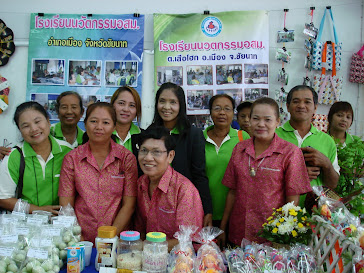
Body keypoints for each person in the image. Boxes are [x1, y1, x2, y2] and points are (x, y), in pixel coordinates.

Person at [220, 97, 312, 246]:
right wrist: (223, 227)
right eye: (256, 118)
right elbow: (232, 191)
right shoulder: (239, 149)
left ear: (277, 121)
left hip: (270, 236)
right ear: (250, 120)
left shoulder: (290, 153)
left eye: (267, 120)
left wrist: (283, 234)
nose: (261, 124)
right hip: (238, 232)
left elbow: (293, 198)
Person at [59, 102, 138, 243]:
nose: (99, 127)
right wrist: (77, 236)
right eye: (93, 121)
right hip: (80, 236)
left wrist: (108, 237)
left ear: (114, 126)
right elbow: (66, 206)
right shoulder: (72, 158)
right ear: (85, 124)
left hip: (117, 238)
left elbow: (129, 205)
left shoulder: (126, 159)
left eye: (106, 122)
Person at [149, 82, 213, 226]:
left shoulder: (193, 135)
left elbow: (199, 175)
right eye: (162, 101)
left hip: (186, 206)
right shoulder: (149, 133)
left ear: (181, 105)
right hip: (154, 205)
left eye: (173, 102)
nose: (166, 107)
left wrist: (207, 210)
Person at [134, 127, 204, 250]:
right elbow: (140, 229)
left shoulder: (184, 190)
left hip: (178, 260)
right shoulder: (141, 184)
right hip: (148, 259)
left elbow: (186, 240)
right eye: (144, 150)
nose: (148, 158)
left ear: (170, 156)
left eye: (156, 152)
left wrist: (149, 247)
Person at [0, 102, 72, 214]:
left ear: (48, 121)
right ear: (19, 130)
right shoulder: (13, 156)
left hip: (61, 222)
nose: (33, 129)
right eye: (26, 126)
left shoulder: (68, 151)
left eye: (37, 122)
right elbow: (3, 198)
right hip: (24, 224)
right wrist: (38, 210)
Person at [275, 85, 339, 189]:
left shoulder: (327, 141)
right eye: (296, 101)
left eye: (307, 102)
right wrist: (297, 175)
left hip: (315, 205)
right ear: (287, 106)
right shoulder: (274, 136)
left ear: (315, 107)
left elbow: (333, 184)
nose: (301, 105)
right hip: (278, 205)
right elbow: (263, 175)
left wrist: (326, 164)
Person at [203, 94, 250, 226]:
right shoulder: (199, 138)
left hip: (235, 210)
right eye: (217, 108)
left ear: (233, 113)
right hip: (205, 210)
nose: (222, 113)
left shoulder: (242, 137)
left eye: (227, 109)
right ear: (210, 112)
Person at [110, 86, 141, 153]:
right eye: (121, 103)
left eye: (132, 105)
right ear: (112, 105)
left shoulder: (144, 136)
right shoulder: (102, 133)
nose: (126, 109)